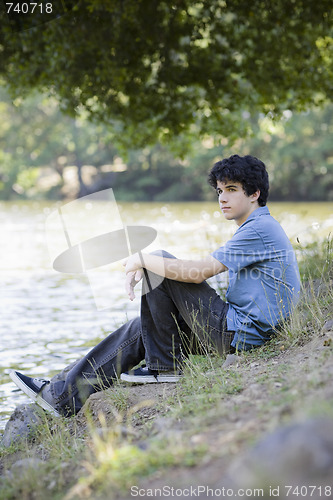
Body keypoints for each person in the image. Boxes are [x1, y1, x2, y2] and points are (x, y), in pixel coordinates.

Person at [10, 154, 300, 417]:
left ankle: (165, 367)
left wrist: (141, 259)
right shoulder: (254, 228)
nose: (222, 198)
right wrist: (144, 262)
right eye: (220, 191)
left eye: (232, 189)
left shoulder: (260, 229)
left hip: (244, 335)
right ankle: (61, 395)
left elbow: (198, 272)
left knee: (157, 260)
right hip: (241, 332)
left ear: (255, 193)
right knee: (141, 327)